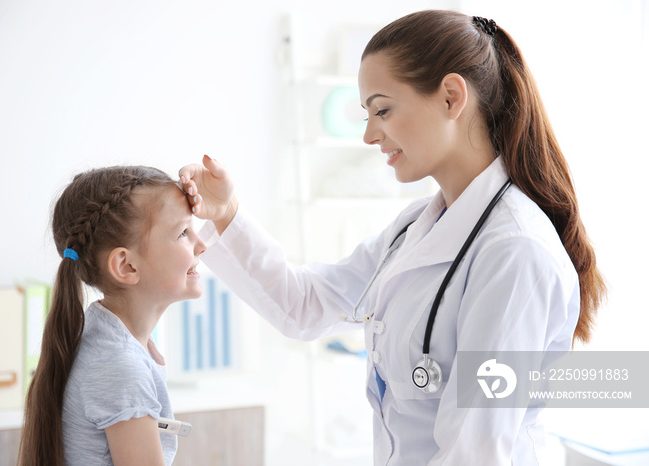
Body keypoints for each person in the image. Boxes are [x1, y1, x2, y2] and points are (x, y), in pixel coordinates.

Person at [178, 9, 606, 466]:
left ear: (450, 97)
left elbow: (476, 454)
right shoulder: (414, 226)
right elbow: (304, 306)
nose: (368, 135)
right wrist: (225, 214)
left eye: (382, 109)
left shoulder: (514, 253)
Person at [18, 166, 206, 466]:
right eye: (183, 233)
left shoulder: (106, 338)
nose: (202, 244)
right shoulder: (122, 366)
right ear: (126, 266)